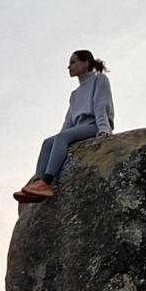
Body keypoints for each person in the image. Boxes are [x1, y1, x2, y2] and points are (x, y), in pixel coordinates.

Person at [15, 50, 114, 202]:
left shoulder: (99, 80)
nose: (69, 67)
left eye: (73, 62)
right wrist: (58, 141)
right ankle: (37, 185)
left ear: (86, 63)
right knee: (48, 142)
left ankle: (45, 183)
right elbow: (68, 121)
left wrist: (104, 129)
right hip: (79, 128)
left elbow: (101, 105)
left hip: (94, 125)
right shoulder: (75, 94)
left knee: (62, 137)